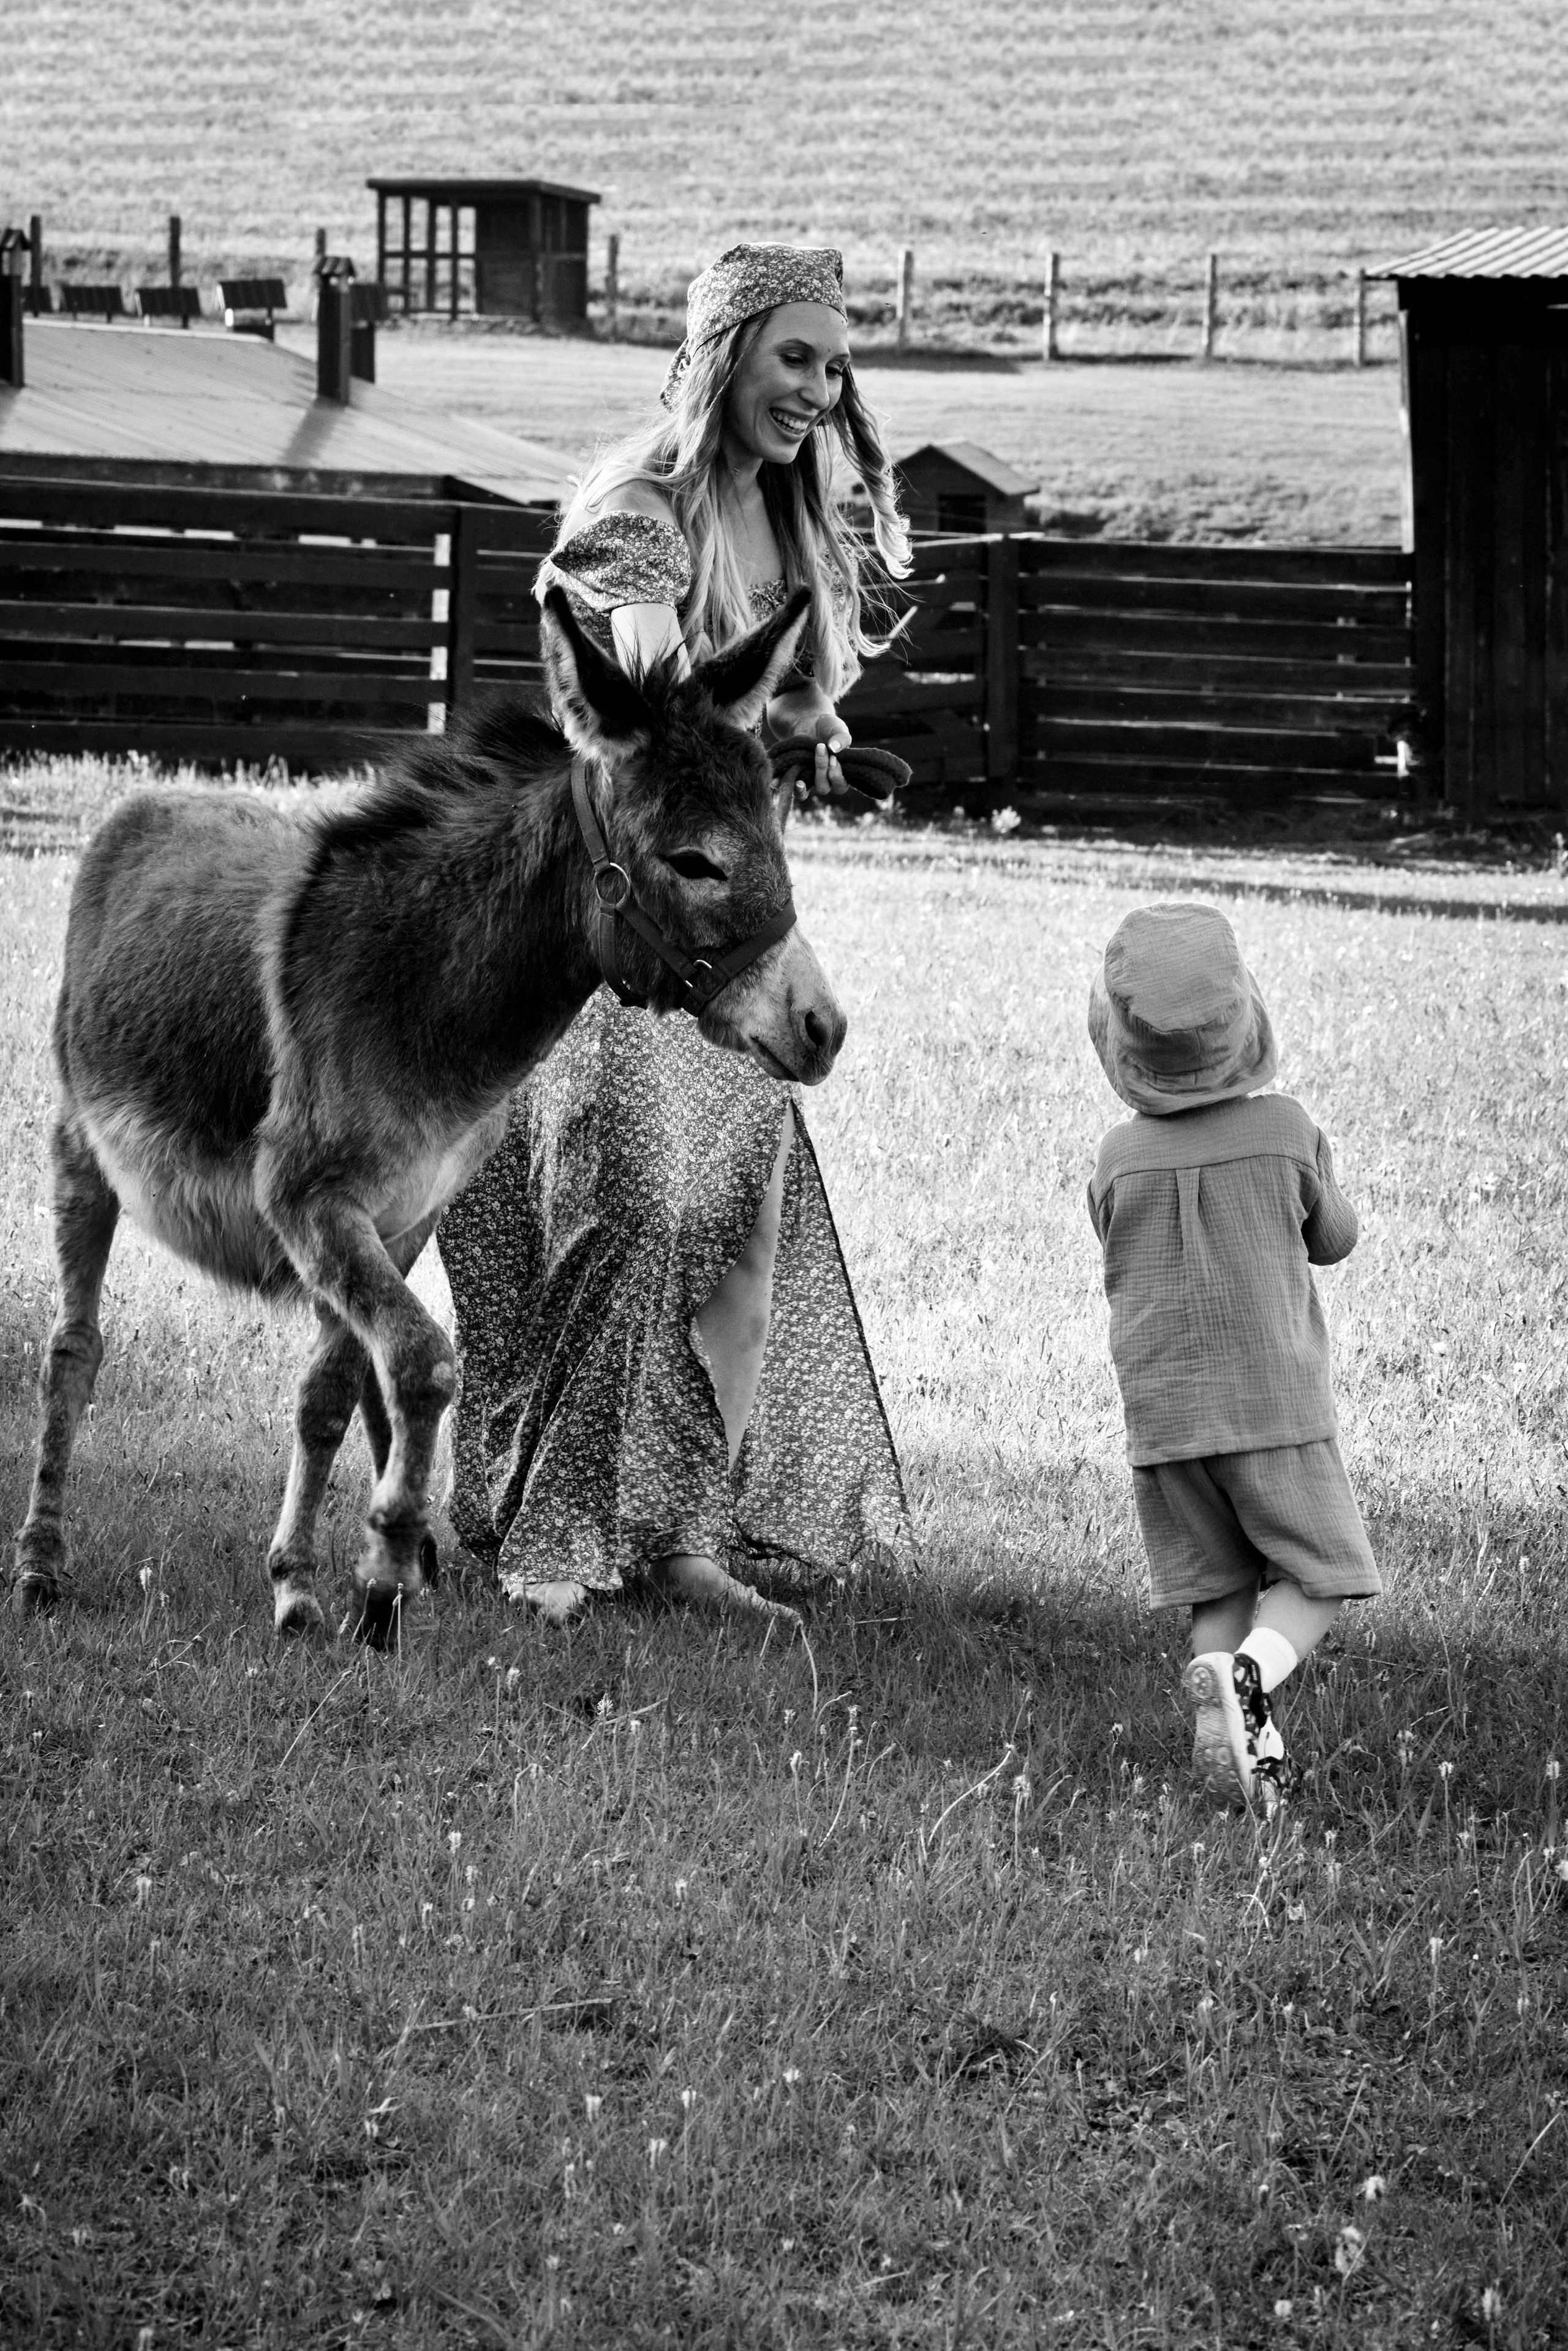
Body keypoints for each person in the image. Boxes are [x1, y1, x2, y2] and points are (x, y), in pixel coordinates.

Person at [436, 243, 915, 1623]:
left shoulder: (787, 511)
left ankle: (685, 1533)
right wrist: (757, 725)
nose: (820, 392)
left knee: (731, 1228)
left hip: (737, 912)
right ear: (723, 356)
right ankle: (552, 1528)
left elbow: (756, 715)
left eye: (835, 366)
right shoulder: (632, 505)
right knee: (629, 1206)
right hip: (629, 917)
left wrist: (820, 744)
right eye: (794, 359)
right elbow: (651, 684)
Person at [1085, 902, 1381, 1811]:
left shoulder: (1116, 1157)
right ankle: (1253, 1674)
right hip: (1272, 1410)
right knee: (1318, 1573)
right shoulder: (1287, 1129)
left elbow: (1114, 1245)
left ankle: (1239, 1737)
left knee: (1214, 1586)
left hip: (1167, 1422)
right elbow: (1333, 1238)